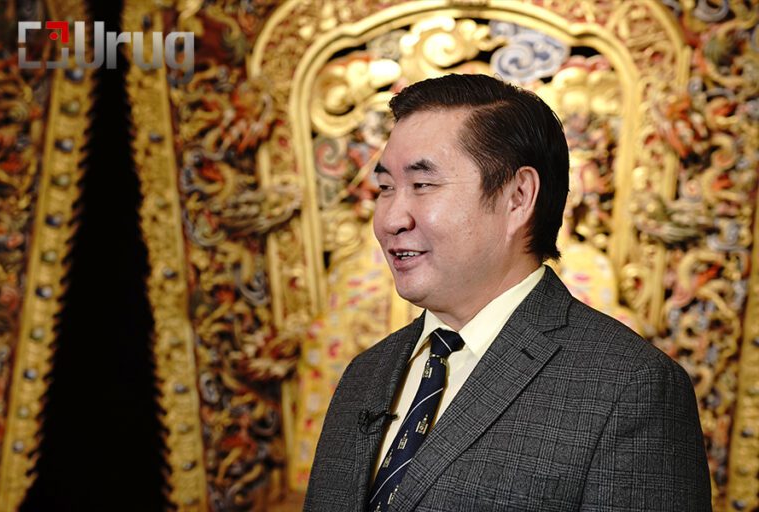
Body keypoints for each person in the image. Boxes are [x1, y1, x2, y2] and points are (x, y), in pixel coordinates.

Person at [304, 74, 711, 512]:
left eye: (422, 185)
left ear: (518, 197)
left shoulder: (631, 388)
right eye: (385, 188)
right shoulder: (366, 373)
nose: (390, 220)